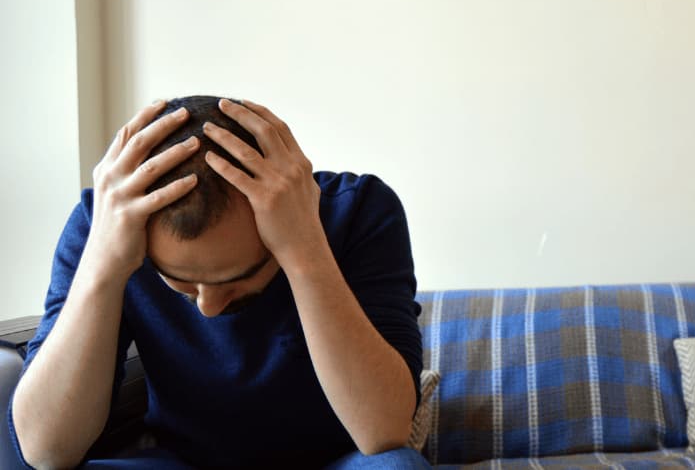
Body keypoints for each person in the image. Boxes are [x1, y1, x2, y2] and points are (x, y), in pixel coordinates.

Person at [8, 96, 429, 469]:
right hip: (180, 460)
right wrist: (104, 265)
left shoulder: (360, 211)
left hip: (339, 459)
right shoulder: (110, 224)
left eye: (239, 279)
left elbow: (383, 432)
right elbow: (46, 450)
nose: (208, 307)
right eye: (183, 285)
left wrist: (303, 250)